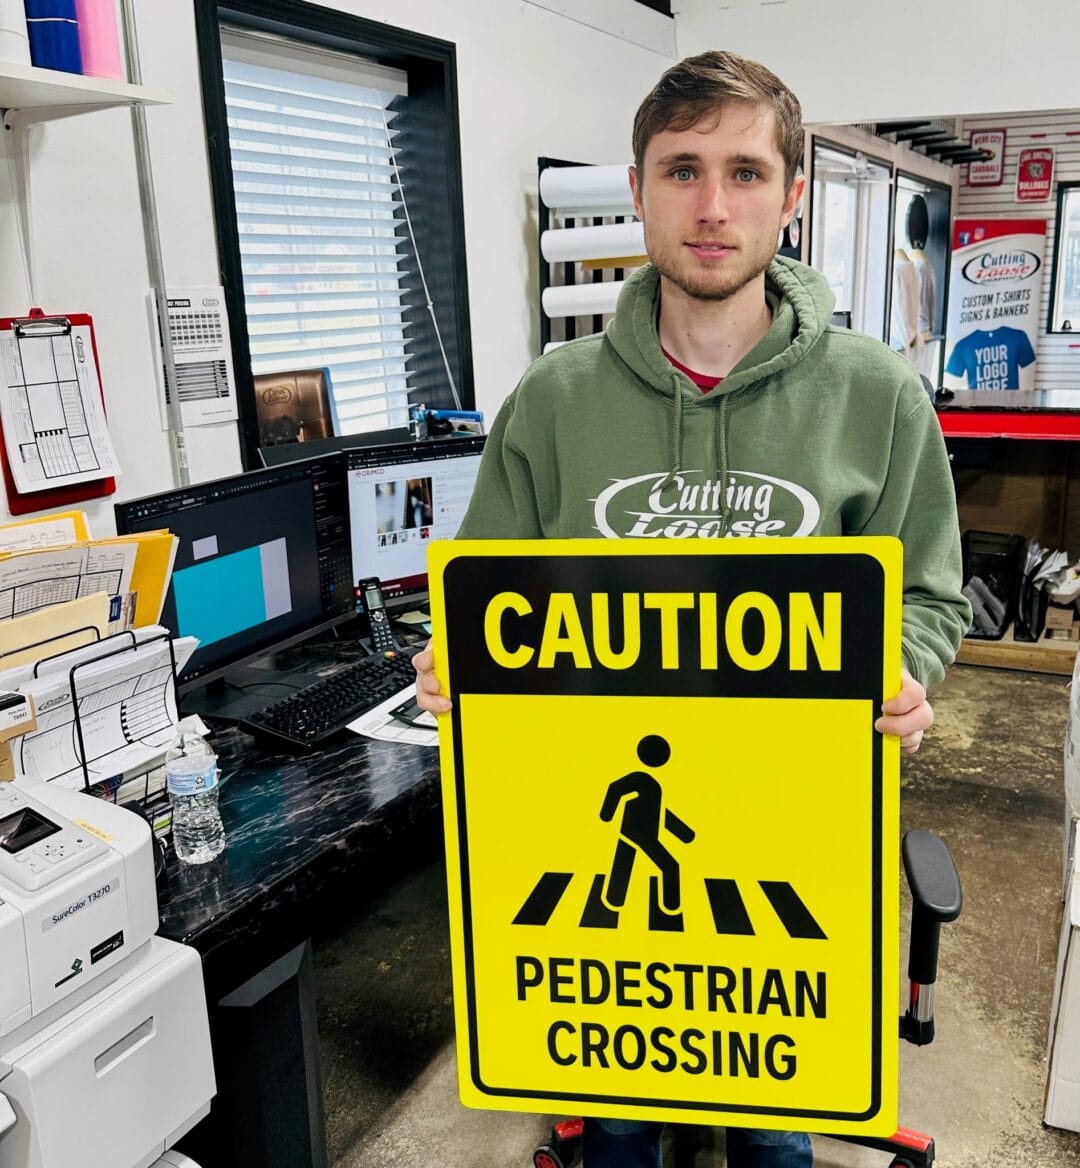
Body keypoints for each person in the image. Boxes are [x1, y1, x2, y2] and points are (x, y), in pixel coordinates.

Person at [414, 49, 970, 1168]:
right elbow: (486, 595)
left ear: (792, 196)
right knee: (614, 1131)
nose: (712, 208)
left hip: (798, 851)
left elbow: (926, 592)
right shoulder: (552, 402)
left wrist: (904, 674)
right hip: (596, 901)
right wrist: (454, 664)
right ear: (637, 190)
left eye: (746, 172)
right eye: (680, 170)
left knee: (777, 1137)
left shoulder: (879, 399)